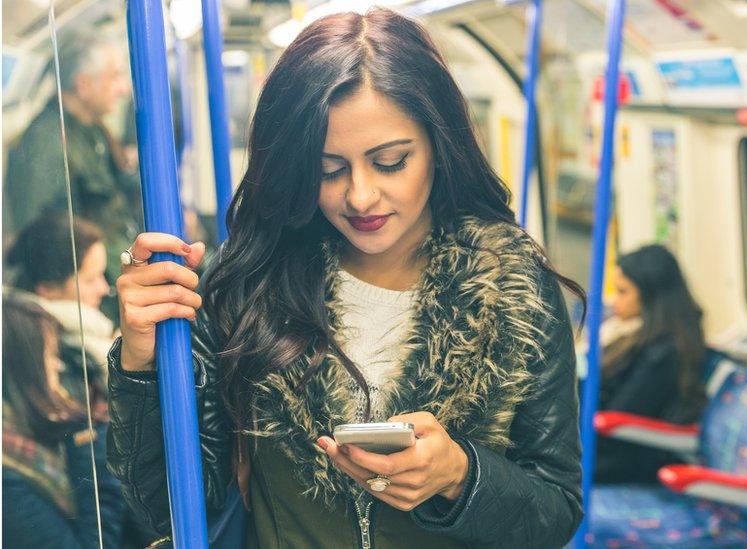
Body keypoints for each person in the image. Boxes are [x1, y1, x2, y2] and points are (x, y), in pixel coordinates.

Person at [107, 8, 584, 548]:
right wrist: (142, 362)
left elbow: (555, 510)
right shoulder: (252, 284)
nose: (359, 196)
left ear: (438, 145)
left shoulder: (513, 290)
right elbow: (166, 502)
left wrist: (459, 475)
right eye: (328, 170)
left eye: (390, 162)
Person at [4, 28, 142, 302]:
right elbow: (42, 245)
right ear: (83, 85)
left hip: (116, 273)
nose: (123, 88)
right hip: (93, 294)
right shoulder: (48, 143)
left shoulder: (92, 130)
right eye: (114, 76)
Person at [1, 290, 125, 549]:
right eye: (49, 356)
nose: (57, 367)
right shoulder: (9, 483)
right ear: (24, 368)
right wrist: (89, 447)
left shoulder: (25, 439)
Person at [594, 244, 708, 484]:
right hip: (612, 447)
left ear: (649, 295)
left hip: (626, 459)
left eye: (623, 292)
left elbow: (619, 414)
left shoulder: (664, 354)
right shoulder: (643, 336)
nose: (615, 301)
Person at [6, 216, 115, 401]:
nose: (105, 289)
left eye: (102, 275)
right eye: (90, 280)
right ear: (48, 289)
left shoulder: (88, 337)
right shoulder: (47, 352)